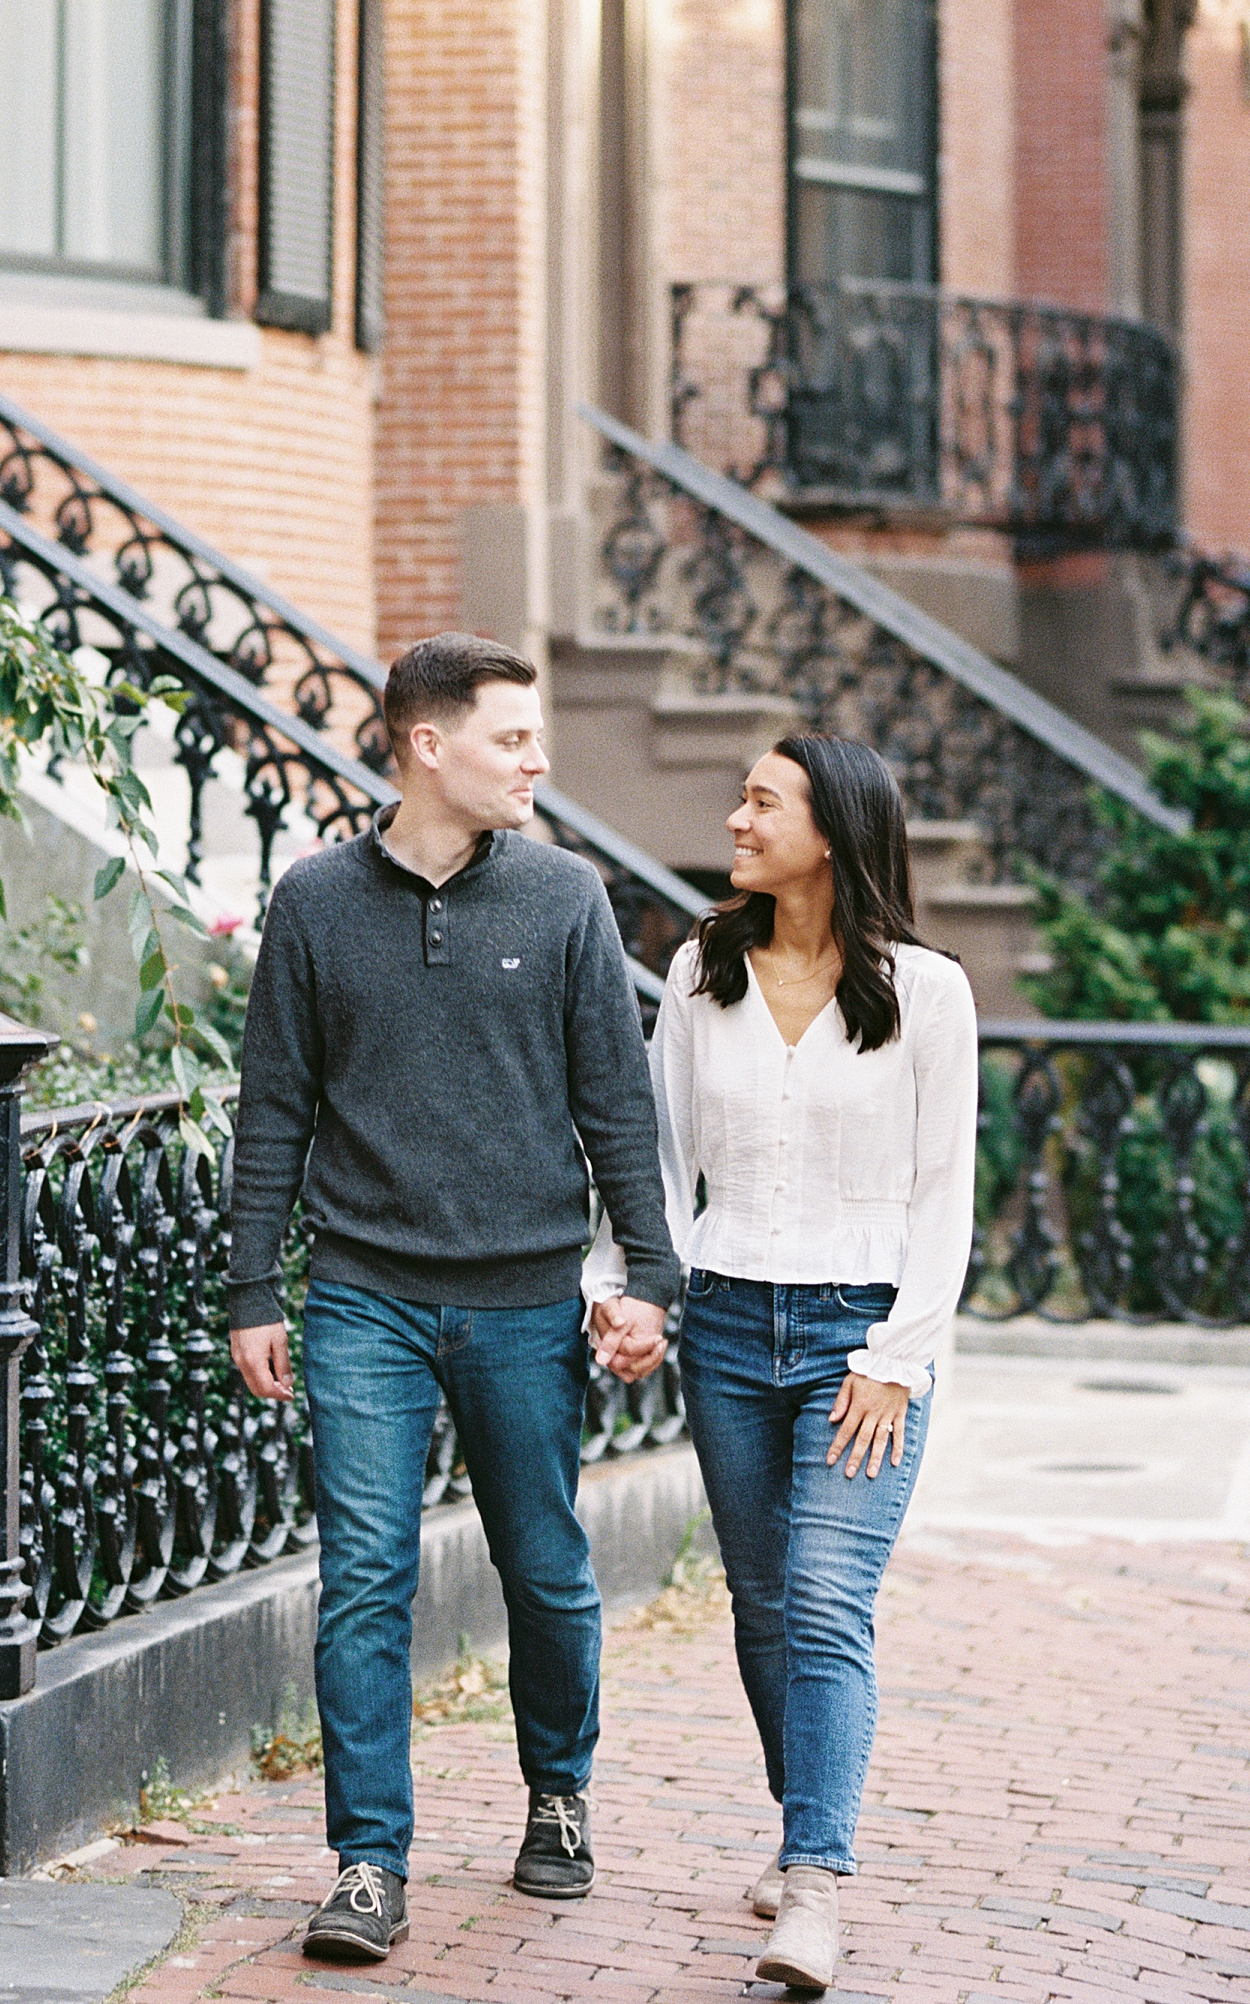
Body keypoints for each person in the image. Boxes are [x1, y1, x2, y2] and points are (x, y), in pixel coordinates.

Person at [227, 631, 675, 1967]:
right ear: (429, 744)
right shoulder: (314, 902)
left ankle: (558, 1791)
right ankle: (370, 1863)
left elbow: (616, 1099)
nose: (539, 758)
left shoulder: (567, 900)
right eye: (513, 736)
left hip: (529, 1297)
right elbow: (273, 1112)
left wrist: (648, 1276)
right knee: (364, 1578)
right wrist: (256, 1285)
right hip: (364, 1291)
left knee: (544, 1564)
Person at [585, 732, 977, 1995]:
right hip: (731, 1320)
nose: (736, 816)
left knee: (823, 1595)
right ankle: (799, 1819)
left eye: (762, 800)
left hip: (862, 1335)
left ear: (833, 830)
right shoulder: (704, 970)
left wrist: (896, 1355)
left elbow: (942, 1196)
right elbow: (657, 1153)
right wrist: (631, 1287)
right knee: (763, 1602)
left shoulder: (928, 991)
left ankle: (815, 1883)